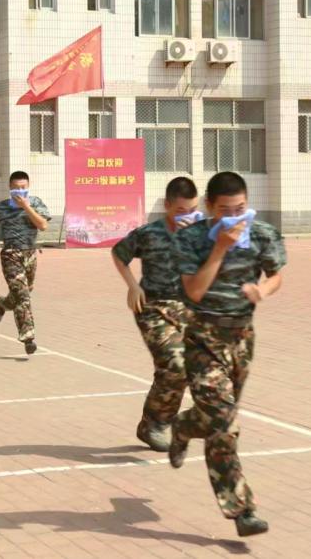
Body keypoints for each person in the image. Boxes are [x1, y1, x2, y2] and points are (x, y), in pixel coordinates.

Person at [169, 171, 287, 538]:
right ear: (209, 207)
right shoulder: (190, 238)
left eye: (241, 209)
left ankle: (184, 426)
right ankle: (241, 509)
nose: (235, 217)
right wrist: (220, 248)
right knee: (223, 421)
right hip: (203, 336)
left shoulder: (262, 234)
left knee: (216, 417)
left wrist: (263, 290)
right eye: (225, 210)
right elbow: (194, 291)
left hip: (242, 338)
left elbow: (276, 275)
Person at [111, 177, 200, 452]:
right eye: (181, 211)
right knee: (174, 363)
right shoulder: (150, 233)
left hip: (187, 309)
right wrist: (133, 285)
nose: (187, 216)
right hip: (152, 308)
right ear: (167, 206)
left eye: (193, 211)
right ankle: (157, 423)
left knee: (186, 368)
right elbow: (119, 254)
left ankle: (156, 421)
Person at [0, 171, 51, 355]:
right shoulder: (1, 207)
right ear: (10, 188)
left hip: (30, 254)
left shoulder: (36, 203)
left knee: (24, 291)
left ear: (28, 187)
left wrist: (26, 207)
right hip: (10, 255)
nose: (20, 191)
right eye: (16, 189)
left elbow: (43, 225)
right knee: (23, 296)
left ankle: (3, 304)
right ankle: (28, 337)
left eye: (23, 188)